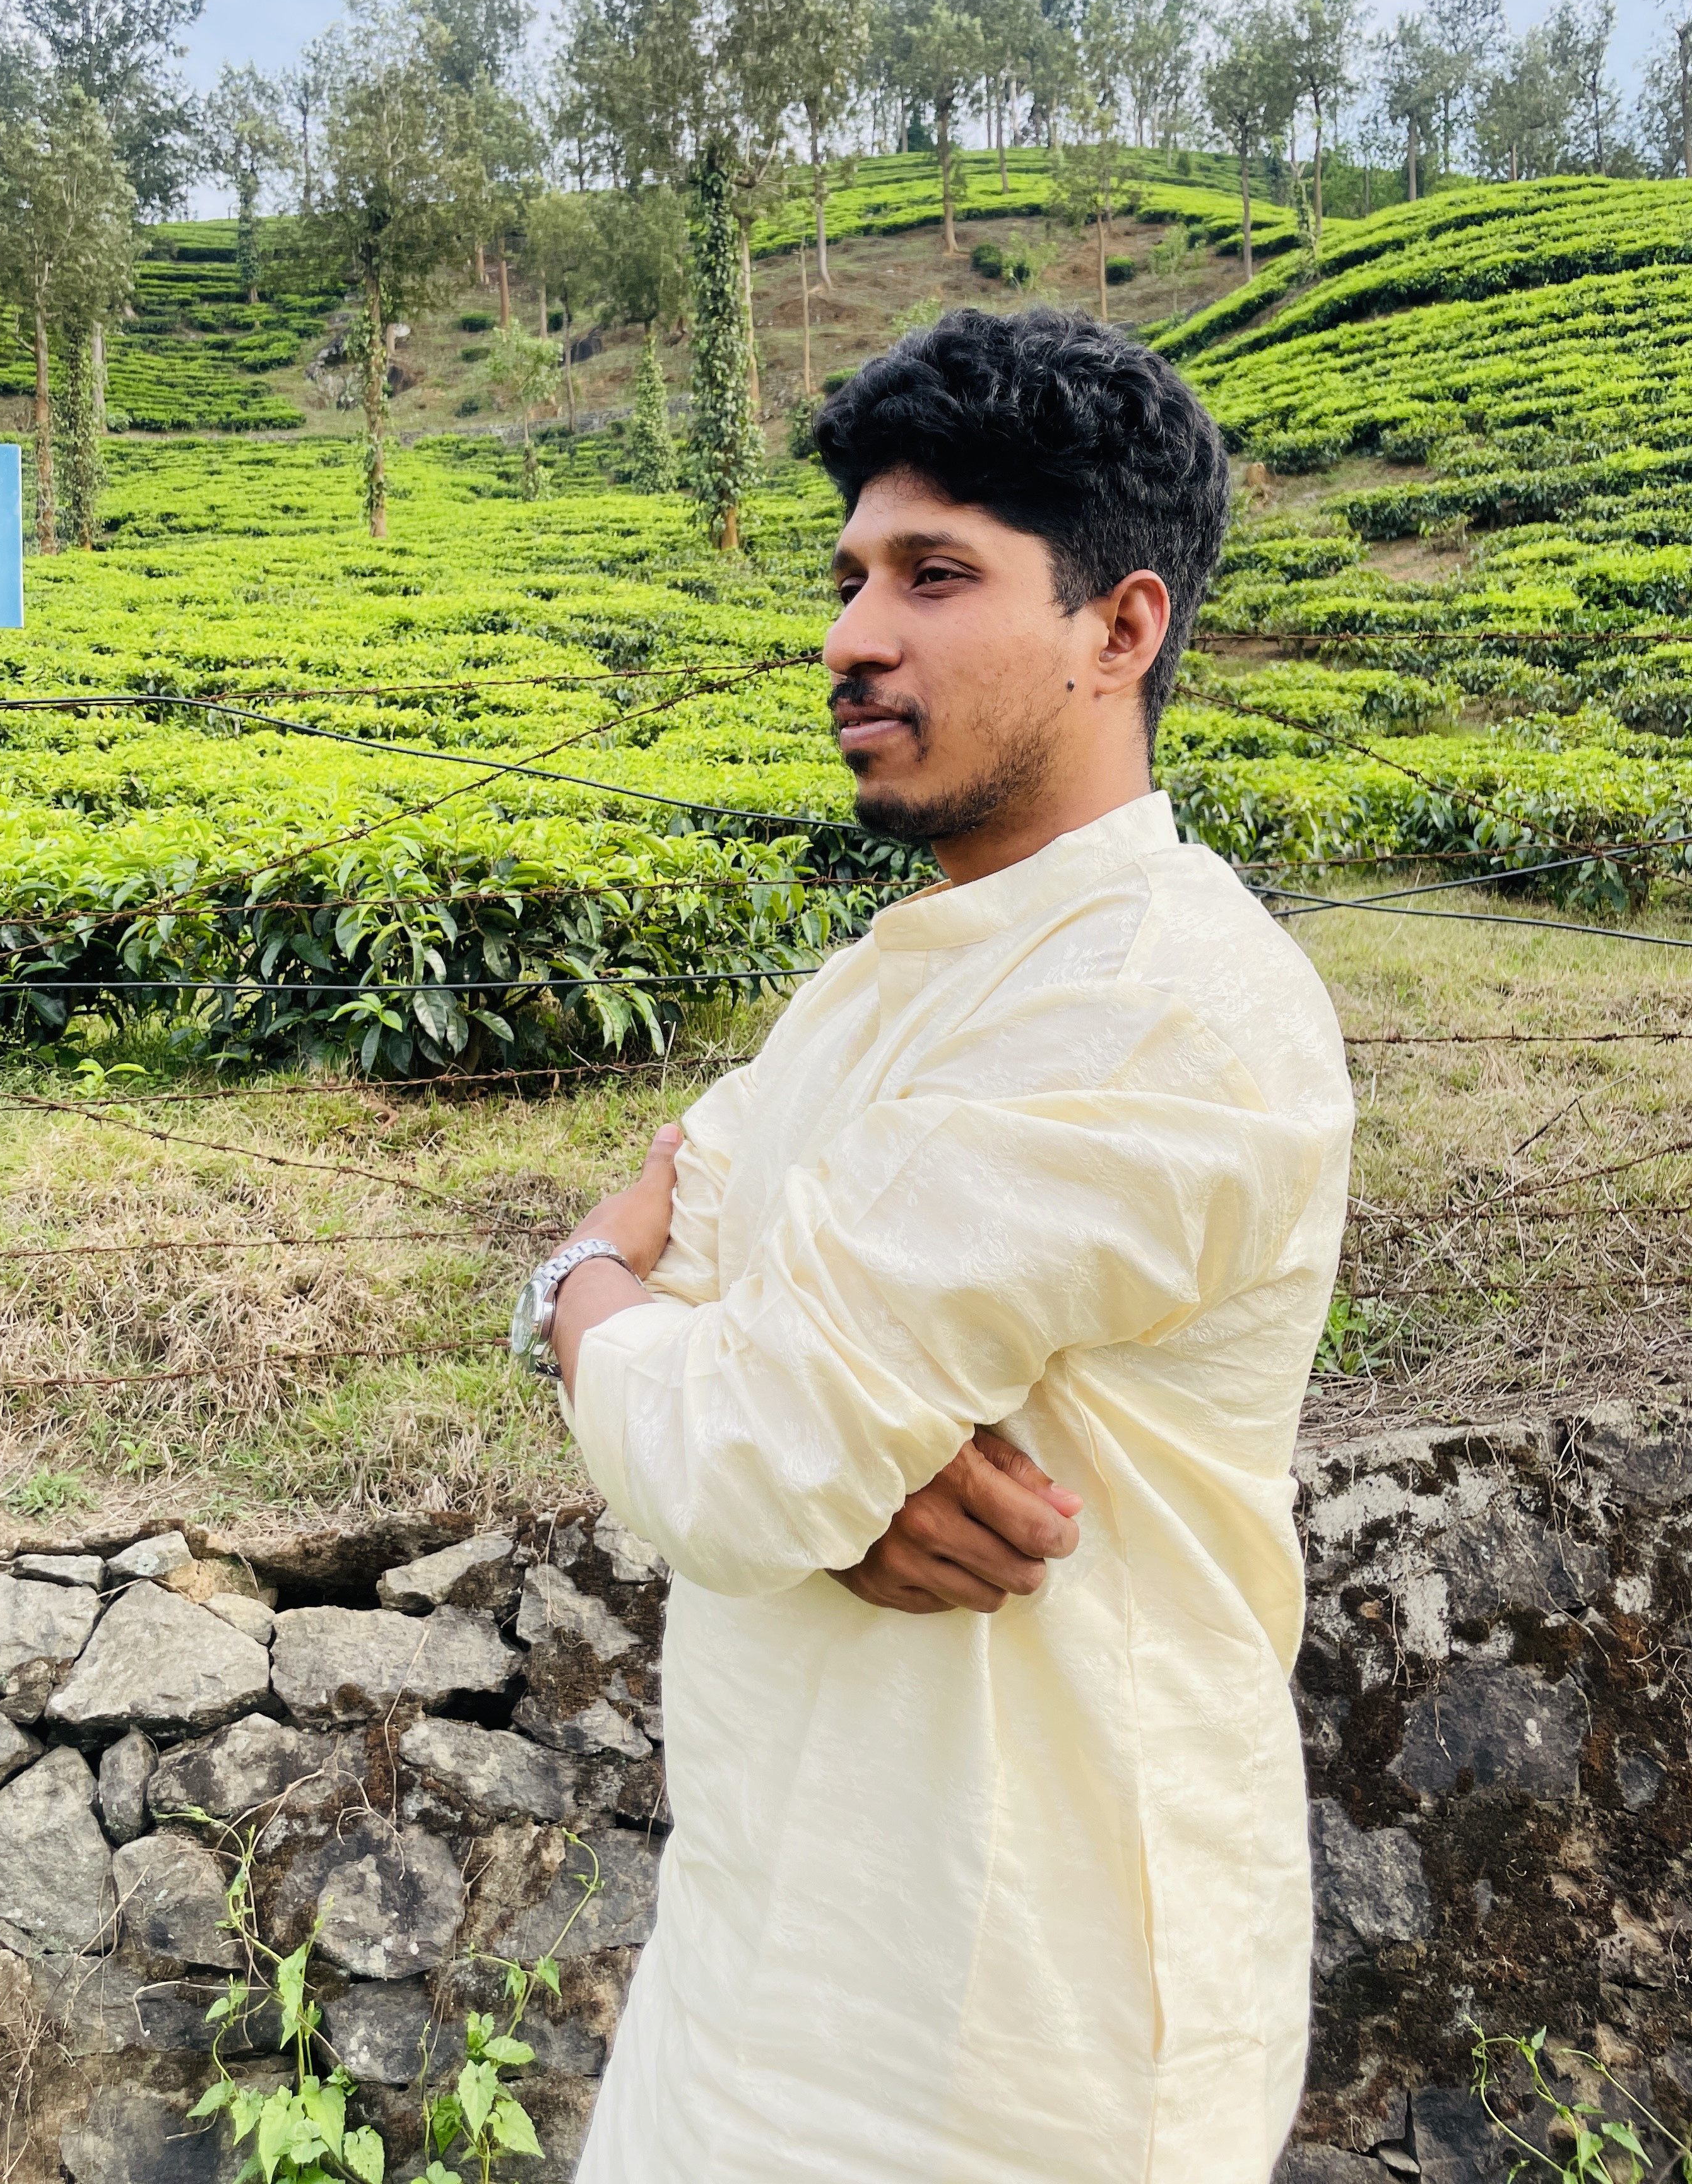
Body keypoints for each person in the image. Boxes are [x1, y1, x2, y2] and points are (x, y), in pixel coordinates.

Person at [507, 307, 1354, 2183]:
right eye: (849, 578)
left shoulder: (1164, 1001)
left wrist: (586, 1297)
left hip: (1012, 2045)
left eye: (935, 574)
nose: (850, 636)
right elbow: (724, 1331)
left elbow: (735, 1450)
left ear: (1121, 629)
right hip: (754, 1970)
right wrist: (761, 1409)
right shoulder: (876, 986)